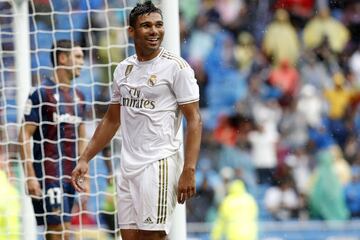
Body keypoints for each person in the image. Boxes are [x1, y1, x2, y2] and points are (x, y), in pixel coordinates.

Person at [71, 1, 202, 240]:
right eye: (146, 26)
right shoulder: (123, 69)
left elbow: (194, 120)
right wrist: (85, 157)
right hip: (128, 167)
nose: (154, 31)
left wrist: (189, 170)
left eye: (159, 25)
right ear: (131, 31)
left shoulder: (177, 68)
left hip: (159, 164)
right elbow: (112, 119)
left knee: (152, 237)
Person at [18, 39, 86, 240]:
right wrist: (29, 175)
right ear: (63, 58)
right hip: (47, 174)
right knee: (57, 231)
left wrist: (86, 176)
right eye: (78, 57)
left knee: (65, 231)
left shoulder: (80, 97)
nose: (82, 62)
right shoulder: (41, 93)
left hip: (70, 175)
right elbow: (24, 134)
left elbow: (82, 135)